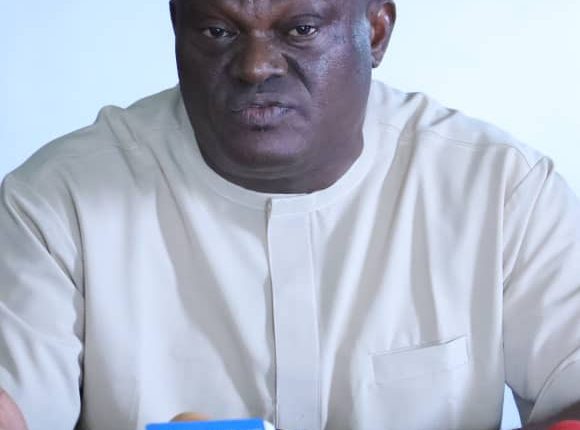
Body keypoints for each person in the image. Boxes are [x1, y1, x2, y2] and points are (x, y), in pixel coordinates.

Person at [0, 0, 579, 429]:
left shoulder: (501, 188)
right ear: (176, 27)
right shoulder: (56, 201)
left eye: (300, 29)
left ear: (376, 30)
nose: (255, 66)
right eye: (217, 30)